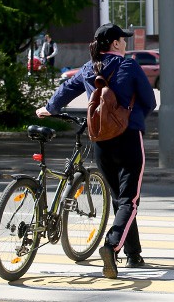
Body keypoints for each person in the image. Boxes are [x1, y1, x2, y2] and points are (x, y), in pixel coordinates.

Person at [35, 23, 156, 279]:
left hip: (101, 140)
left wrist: (49, 108)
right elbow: (150, 101)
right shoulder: (128, 65)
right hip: (129, 139)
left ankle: (133, 253)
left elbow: (67, 89)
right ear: (114, 44)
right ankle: (112, 246)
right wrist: (133, 120)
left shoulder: (90, 67)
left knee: (118, 198)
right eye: (122, 40)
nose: (125, 43)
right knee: (129, 201)